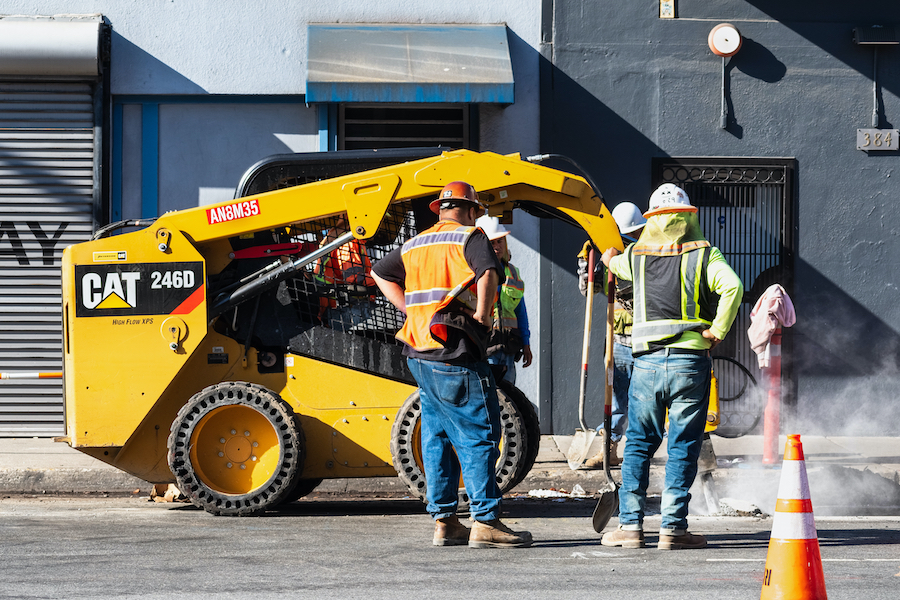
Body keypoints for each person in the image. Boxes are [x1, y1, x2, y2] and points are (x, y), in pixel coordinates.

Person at [371, 181, 533, 549]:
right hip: (456, 351)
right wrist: (481, 316)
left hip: (420, 353)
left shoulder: (416, 243)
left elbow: (380, 273)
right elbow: (490, 273)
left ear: (440, 209)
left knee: (437, 437)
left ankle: (445, 522)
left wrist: (409, 311)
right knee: (479, 436)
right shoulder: (469, 237)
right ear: (471, 209)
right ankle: (486, 521)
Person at [598, 184, 743, 550]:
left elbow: (612, 262)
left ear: (652, 219)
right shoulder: (705, 254)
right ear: (687, 215)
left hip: (646, 364)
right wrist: (717, 330)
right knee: (682, 445)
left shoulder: (636, 255)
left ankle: (630, 527)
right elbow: (733, 287)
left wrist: (605, 255)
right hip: (689, 363)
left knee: (638, 445)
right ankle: (673, 530)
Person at [580, 201, 646, 469]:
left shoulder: (642, 256)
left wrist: (612, 261)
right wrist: (588, 264)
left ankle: (637, 451)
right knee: (616, 399)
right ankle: (609, 448)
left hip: (644, 341)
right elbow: (588, 291)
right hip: (617, 341)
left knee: (643, 401)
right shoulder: (609, 256)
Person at [474, 215, 533, 385]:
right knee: (488, 393)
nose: (497, 246)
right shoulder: (474, 273)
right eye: (492, 242)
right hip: (486, 347)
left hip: (509, 347)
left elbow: (520, 312)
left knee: (508, 396)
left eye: (500, 241)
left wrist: (526, 343)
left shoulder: (513, 273)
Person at [314, 214, 376, 332]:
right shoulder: (348, 243)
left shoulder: (337, 238)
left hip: (332, 310)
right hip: (345, 311)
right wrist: (383, 278)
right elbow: (355, 279)